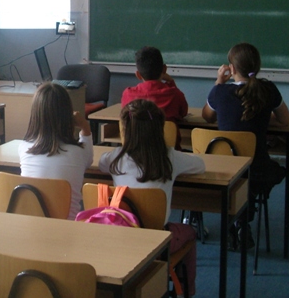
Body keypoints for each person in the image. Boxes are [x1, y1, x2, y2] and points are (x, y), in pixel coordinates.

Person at [98, 99, 205, 297]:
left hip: (120, 238)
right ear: (159, 129)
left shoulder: (115, 158)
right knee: (190, 231)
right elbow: (201, 165)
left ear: (126, 130)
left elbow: (100, 162)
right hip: (158, 242)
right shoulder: (170, 157)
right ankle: (187, 290)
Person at [201, 42, 289, 249]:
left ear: (231, 68)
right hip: (257, 170)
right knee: (263, 173)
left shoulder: (220, 92)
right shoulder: (268, 89)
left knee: (238, 177)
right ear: (257, 67)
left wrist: (218, 82)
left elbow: (207, 117)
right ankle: (243, 218)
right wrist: (261, 117)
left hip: (222, 171)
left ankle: (236, 216)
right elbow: (285, 120)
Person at [18, 82, 93, 220]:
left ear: (35, 115)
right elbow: (89, 161)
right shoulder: (78, 153)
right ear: (68, 114)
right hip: (68, 228)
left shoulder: (24, 148)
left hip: (31, 225)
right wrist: (85, 127)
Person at [121, 46, 188, 147]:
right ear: (164, 69)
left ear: (138, 75)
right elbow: (183, 113)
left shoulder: (128, 94)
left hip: (136, 151)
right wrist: (171, 82)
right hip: (168, 152)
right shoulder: (175, 95)